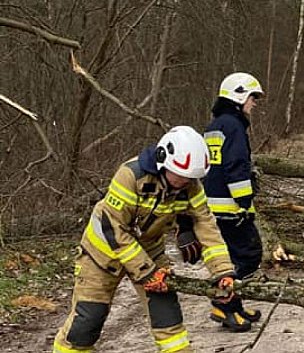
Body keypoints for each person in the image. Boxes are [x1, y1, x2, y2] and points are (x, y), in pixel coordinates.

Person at [53, 126, 241, 353]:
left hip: (150, 252)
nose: (185, 182)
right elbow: (113, 227)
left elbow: (206, 225)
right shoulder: (131, 175)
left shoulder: (190, 185)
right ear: (164, 161)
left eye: (191, 177)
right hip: (102, 255)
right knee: (86, 323)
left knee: (168, 317)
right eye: (181, 176)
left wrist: (222, 271)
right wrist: (146, 272)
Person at [203, 72, 264, 329]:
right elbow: (236, 167)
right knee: (249, 256)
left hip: (213, 205)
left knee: (230, 258)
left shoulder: (215, 125)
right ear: (239, 96)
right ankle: (223, 303)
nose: (255, 103)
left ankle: (234, 304)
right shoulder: (235, 126)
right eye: (253, 98)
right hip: (231, 206)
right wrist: (245, 202)